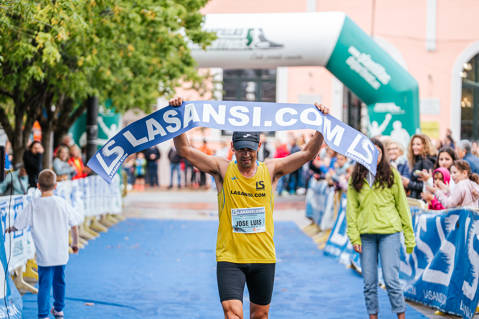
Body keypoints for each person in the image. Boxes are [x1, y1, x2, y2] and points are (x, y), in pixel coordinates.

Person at [169, 96, 328, 319]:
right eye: (241, 149)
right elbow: (184, 150)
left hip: (263, 256)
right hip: (230, 257)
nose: (246, 154)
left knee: (260, 316)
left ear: (259, 147)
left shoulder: (271, 170)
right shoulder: (221, 169)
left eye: (250, 149)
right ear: (233, 147)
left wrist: (321, 125)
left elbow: (307, 154)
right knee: (232, 313)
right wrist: (177, 115)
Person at [346, 138, 415, 319]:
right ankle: (373, 316)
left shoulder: (392, 173)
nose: (374, 155)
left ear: (383, 153)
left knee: (391, 280)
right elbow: (351, 209)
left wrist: (409, 237)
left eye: (378, 151)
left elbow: (402, 205)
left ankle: (401, 316)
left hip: (389, 233)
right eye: (370, 151)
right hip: (365, 235)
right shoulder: (356, 176)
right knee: (369, 282)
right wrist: (354, 237)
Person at [5, 169, 79, 319]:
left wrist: (10, 228)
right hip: (60, 253)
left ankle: (43, 314)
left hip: (44, 253)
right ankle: (58, 309)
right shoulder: (62, 203)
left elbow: (19, 224)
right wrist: (75, 243)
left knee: (44, 285)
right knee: (60, 281)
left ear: (38, 186)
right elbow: (74, 225)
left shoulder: (34, 204)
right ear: (56, 185)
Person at [402, 134, 435, 199]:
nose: (414, 147)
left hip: (422, 200)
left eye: (418, 144)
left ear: (425, 146)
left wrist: (409, 183)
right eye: (413, 144)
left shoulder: (426, 161)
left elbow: (428, 185)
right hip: (416, 198)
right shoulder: (418, 160)